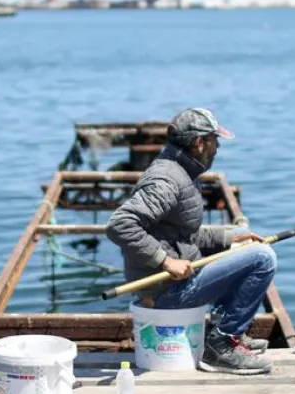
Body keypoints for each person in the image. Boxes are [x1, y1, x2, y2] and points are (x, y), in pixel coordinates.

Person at [105, 107, 277, 375]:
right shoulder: (167, 179)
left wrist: (231, 236)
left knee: (251, 249)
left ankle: (226, 333)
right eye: (214, 140)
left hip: (178, 282)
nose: (217, 146)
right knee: (263, 258)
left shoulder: (182, 172)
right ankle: (220, 347)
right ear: (199, 143)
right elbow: (120, 225)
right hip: (168, 291)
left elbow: (183, 234)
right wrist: (166, 261)